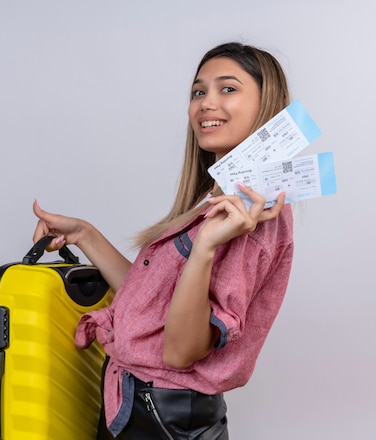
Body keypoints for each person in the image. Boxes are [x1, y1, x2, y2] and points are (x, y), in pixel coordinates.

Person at [33, 42, 295, 439]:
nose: (206, 103)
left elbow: (179, 352)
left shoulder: (253, 220)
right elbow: (151, 305)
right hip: (136, 404)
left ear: (266, 106)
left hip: (162, 420)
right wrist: (83, 234)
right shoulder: (219, 202)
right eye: (198, 91)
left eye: (227, 89)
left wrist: (205, 247)